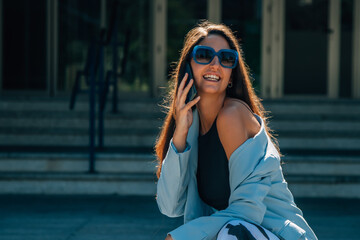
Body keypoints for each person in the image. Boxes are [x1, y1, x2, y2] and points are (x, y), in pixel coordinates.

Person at [155, 21, 318, 240]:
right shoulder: (191, 127)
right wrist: (180, 133)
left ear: (231, 74)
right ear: (188, 67)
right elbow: (170, 206)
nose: (215, 64)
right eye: (204, 55)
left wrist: (180, 237)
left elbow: (246, 213)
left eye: (226, 58)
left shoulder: (232, 115)